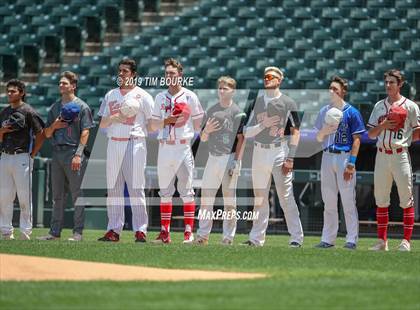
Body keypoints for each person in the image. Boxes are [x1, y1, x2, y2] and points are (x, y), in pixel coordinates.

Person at [242, 66, 304, 247]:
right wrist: (263, 125)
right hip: (259, 151)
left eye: (271, 77)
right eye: (265, 77)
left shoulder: (288, 102)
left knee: (286, 197)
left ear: (279, 80)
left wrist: (291, 157)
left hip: (279, 151)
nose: (266, 79)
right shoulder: (257, 102)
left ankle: (296, 238)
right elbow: (245, 131)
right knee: (259, 197)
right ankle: (256, 239)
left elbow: (296, 132)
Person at [97, 58, 154, 243]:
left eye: (125, 71)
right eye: (120, 71)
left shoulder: (143, 96)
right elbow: (103, 123)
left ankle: (140, 230)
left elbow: (153, 124)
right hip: (114, 142)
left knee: (136, 187)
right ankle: (114, 229)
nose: (121, 74)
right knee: (113, 189)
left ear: (133, 74)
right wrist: (117, 116)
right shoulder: (111, 95)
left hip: (134, 142)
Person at [150, 58, 204, 244]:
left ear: (180, 75)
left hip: (182, 147)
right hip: (164, 146)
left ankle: (188, 233)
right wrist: (169, 120)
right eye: (166, 73)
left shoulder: (190, 96)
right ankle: (165, 232)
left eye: (173, 73)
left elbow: (199, 125)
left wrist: (183, 123)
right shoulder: (159, 97)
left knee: (186, 191)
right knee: (165, 192)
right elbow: (152, 126)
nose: (169, 76)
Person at [37, 71, 94, 241]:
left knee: (77, 194)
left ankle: (78, 233)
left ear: (73, 86)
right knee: (57, 196)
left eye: (64, 83)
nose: (61, 85)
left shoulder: (83, 106)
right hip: (57, 153)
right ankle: (54, 232)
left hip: (73, 153)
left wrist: (78, 155)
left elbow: (85, 132)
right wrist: (54, 125)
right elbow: (46, 134)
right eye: (60, 83)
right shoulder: (55, 107)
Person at [367, 69, 420, 252]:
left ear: (400, 84)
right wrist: (383, 126)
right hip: (381, 154)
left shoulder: (411, 106)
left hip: (400, 155)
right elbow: (371, 134)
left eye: (392, 82)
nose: (388, 85)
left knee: (406, 199)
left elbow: (417, 131)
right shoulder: (379, 106)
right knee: (381, 199)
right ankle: (382, 242)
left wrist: (403, 141)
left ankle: (406, 241)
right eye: (386, 82)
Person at [314, 76, 366, 250]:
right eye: (330, 88)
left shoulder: (351, 112)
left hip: (344, 156)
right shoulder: (323, 111)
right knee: (328, 201)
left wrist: (351, 163)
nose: (332, 91)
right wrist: (325, 130)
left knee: (348, 201)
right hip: (327, 155)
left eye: (335, 89)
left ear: (343, 91)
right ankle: (328, 239)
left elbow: (357, 140)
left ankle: (351, 239)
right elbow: (318, 138)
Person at [194, 76, 246, 245]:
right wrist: (207, 131)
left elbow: (241, 139)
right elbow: (202, 139)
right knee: (206, 198)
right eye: (220, 88)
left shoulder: (238, 112)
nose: (222, 91)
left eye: (226, 88)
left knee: (229, 200)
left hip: (229, 157)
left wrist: (237, 161)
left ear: (233, 91)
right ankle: (202, 236)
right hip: (213, 158)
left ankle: (228, 237)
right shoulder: (212, 110)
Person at [0, 79, 45, 240]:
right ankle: (6, 231)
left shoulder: (28, 111)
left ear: (22, 93)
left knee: (24, 196)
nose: (9, 93)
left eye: (13, 91)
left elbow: (41, 134)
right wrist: (2, 131)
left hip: (22, 156)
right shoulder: (5, 112)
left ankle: (25, 232)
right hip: (5, 156)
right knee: (4, 196)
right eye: (8, 91)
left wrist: (32, 154)